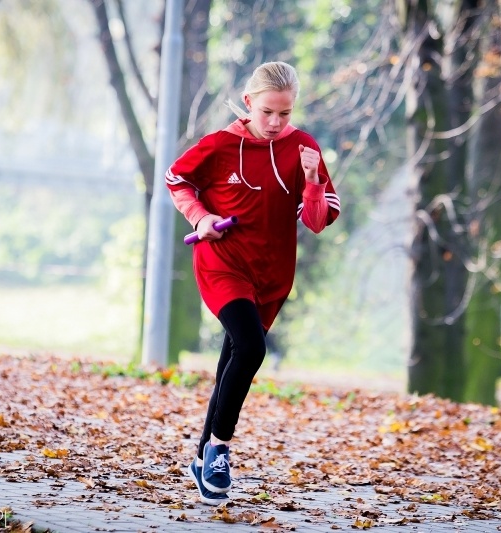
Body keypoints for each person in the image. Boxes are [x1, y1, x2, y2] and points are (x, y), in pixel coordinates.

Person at [165, 61, 341, 505]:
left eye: (285, 113)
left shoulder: (304, 149)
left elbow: (318, 221)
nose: (277, 123)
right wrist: (200, 218)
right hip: (222, 262)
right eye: (268, 113)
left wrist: (314, 180)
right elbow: (177, 178)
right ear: (249, 104)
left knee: (233, 356)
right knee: (251, 347)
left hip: (273, 275)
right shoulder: (221, 145)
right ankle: (220, 451)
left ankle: (202, 453)